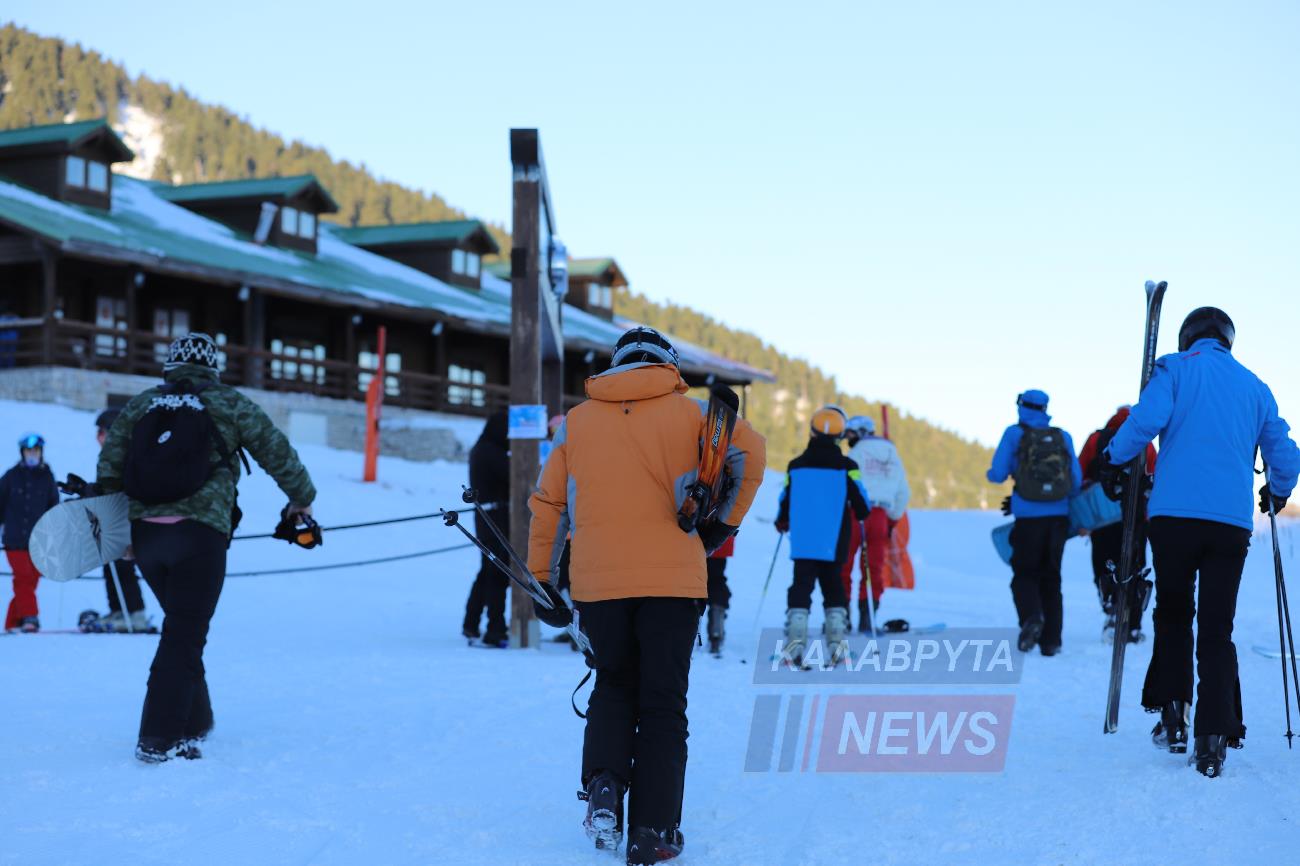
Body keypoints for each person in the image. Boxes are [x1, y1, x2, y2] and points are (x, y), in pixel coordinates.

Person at [526, 326, 765, 864]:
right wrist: (720, 527)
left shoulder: (576, 424)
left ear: (615, 366)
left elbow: (547, 504)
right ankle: (654, 829)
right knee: (662, 704)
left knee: (613, 684)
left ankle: (606, 787)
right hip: (673, 583)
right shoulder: (699, 416)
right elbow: (752, 457)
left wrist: (543, 578)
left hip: (598, 584)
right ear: (668, 365)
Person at [96, 333, 316, 763]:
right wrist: (302, 497)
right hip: (200, 534)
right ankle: (159, 737)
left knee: (182, 628)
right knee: (183, 634)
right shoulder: (228, 402)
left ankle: (198, 719)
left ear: (170, 367)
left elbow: (108, 471)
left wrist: (119, 535)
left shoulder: (141, 405)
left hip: (147, 538)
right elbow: (276, 450)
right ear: (212, 368)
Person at [1101, 307, 1300, 777]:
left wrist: (1113, 458)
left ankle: (1174, 719)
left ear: (1188, 336)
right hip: (1230, 525)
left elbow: (1143, 421)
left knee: (1173, 614)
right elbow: (1284, 452)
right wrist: (1277, 489)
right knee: (1217, 628)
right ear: (1228, 339)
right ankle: (1212, 740)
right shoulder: (1255, 386)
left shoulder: (1173, 368)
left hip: (1173, 518)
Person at [986, 390, 1083, 656]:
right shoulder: (1063, 436)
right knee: (1052, 577)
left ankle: (1031, 618)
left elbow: (997, 473)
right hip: (1058, 518)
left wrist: (993, 475)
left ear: (1021, 406)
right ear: (1045, 408)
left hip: (1028, 518)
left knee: (1024, 574)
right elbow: (1075, 478)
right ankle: (1052, 641)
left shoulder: (1014, 434)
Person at [775, 405, 870, 665]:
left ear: (812, 432)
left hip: (804, 540)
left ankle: (793, 648)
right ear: (840, 435)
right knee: (834, 588)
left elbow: (785, 499)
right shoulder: (848, 467)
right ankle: (838, 650)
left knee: (800, 587)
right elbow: (863, 505)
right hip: (834, 540)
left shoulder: (795, 466)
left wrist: (781, 521)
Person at [59, 409, 153, 632]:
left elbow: (121, 489)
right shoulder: (113, 456)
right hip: (114, 519)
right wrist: (82, 489)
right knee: (110, 563)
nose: (99, 438)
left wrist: (90, 492)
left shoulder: (128, 456)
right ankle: (119, 610)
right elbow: (106, 488)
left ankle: (134, 612)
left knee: (122, 564)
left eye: (103, 432)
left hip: (130, 518)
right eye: (98, 433)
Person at [1077, 406, 1156, 643]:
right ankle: (1133, 626)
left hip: (1102, 517)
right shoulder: (1146, 441)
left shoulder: (1096, 438)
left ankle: (1111, 611)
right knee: (1135, 565)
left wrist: (1084, 518)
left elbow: (1079, 474)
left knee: (1103, 564)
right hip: (1136, 517)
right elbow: (1155, 476)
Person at [842, 415, 910, 631]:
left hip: (854, 513)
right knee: (873, 567)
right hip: (880, 515)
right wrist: (892, 519)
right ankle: (867, 616)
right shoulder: (892, 454)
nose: (848, 439)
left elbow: (845, 482)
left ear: (861, 432)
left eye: (850, 435)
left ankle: (840, 617)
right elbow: (903, 492)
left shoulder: (856, 452)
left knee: (845, 565)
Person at [1, 434, 59, 632]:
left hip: (39, 542)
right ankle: (30, 618)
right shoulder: (11, 476)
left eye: (36, 451)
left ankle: (11, 624)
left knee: (29, 583)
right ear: (22, 453)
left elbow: (54, 509)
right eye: (28, 451)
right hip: (14, 540)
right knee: (24, 578)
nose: (32, 454)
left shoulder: (48, 478)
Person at [462, 409, 510, 647]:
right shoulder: (492, 452)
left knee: (487, 573)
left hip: (487, 519)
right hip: (496, 520)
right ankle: (495, 628)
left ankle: (471, 622)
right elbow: (515, 475)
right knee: (497, 574)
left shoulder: (482, 448)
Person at [703, 535, 734, 654]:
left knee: (693, 580)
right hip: (721, 536)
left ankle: (689, 629)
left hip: (691, 535)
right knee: (717, 579)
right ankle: (716, 628)